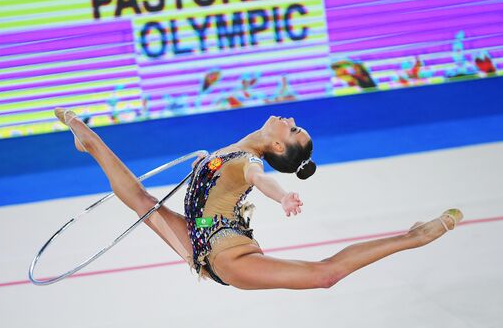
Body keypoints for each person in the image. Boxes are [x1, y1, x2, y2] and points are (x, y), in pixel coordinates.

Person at [54, 108, 463, 290]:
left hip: (231, 257)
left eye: (293, 129)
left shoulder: (249, 158)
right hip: (201, 249)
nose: (289, 120)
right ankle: (89, 141)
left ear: (277, 147)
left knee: (325, 275)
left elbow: (258, 178)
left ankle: (415, 237)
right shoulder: (229, 150)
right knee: (141, 201)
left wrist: (282, 196)